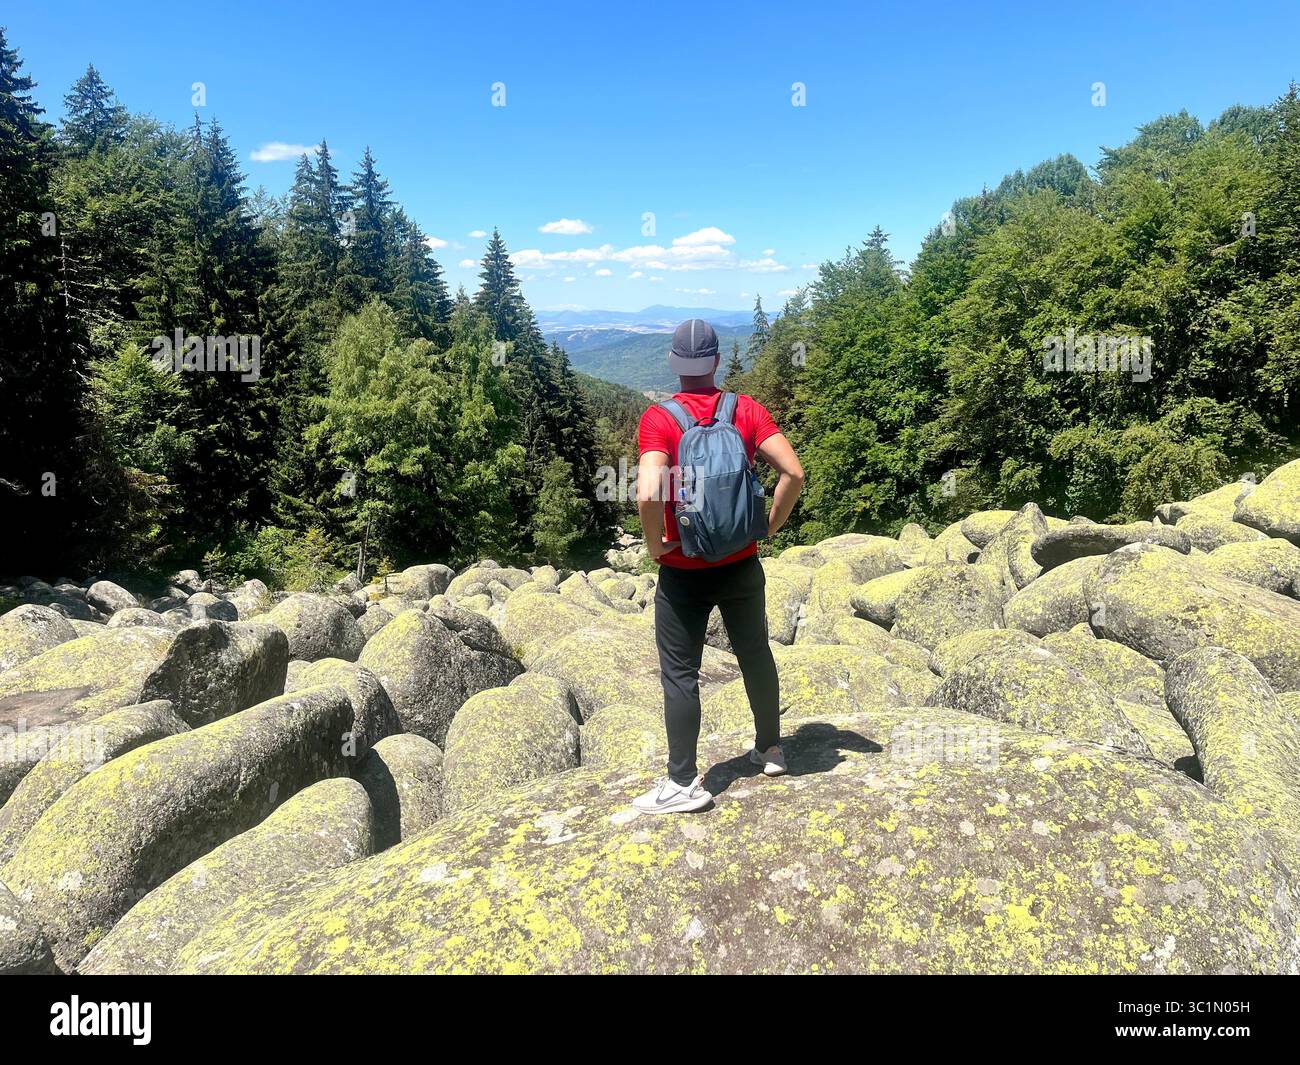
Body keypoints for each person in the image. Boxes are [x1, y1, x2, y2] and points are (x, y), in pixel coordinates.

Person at [632, 319, 805, 814]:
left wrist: (656, 545)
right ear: (714, 362)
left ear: (673, 364)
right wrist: (768, 527)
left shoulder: (659, 419)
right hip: (742, 565)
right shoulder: (744, 410)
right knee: (755, 654)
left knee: (681, 673)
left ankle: (683, 783)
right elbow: (793, 471)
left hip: (684, 570)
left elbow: (647, 490)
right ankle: (770, 749)